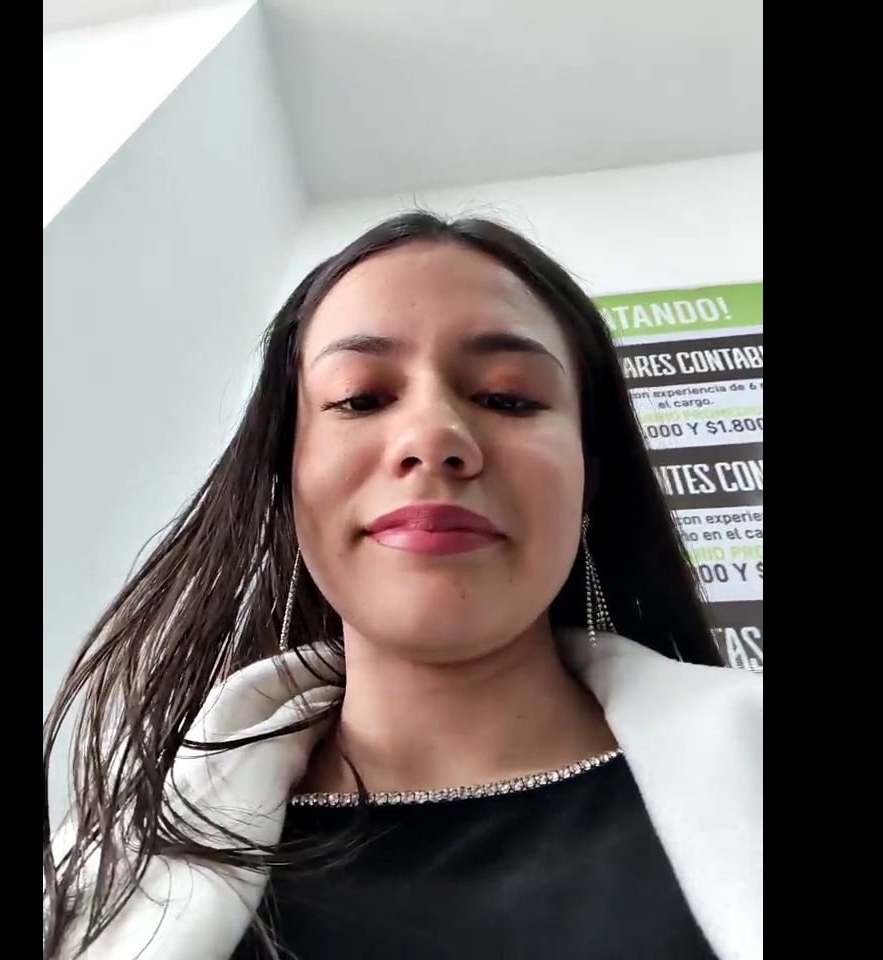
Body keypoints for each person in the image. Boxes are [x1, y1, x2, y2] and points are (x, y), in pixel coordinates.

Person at [43, 212, 762, 960]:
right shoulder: (97, 877)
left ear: (590, 475)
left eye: (508, 397)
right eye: (360, 398)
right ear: (286, 477)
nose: (434, 436)